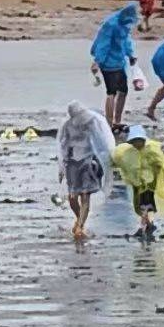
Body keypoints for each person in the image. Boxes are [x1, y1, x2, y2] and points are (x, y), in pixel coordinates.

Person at [110, 124, 164, 238]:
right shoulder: (127, 152)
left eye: (139, 141)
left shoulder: (152, 151)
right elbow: (119, 161)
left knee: (145, 204)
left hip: (149, 183)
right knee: (140, 205)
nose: (137, 144)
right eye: (134, 141)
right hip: (137, 182)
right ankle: (148, 224)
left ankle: (144, 227)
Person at [57, 101, 117, 241]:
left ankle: (79, 225)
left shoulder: (92, 124)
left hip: (88, 163)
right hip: (72, 165)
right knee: (72, 197)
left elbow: (102, 142)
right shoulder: (67, 127)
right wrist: (61, 168)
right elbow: (63, 146)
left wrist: (108, 161)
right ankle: (79, 220)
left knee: (85, 195)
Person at [90, 2, 141, 127]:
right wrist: (98, 62)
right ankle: (109, 122)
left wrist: (130, 54)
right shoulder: (110, 25)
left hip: (119, 61)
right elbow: (103, 44)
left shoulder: (125, 25)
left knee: (123, 90)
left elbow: (126, 40)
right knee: (111, 92)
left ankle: (117, 120)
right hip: (107, 62)